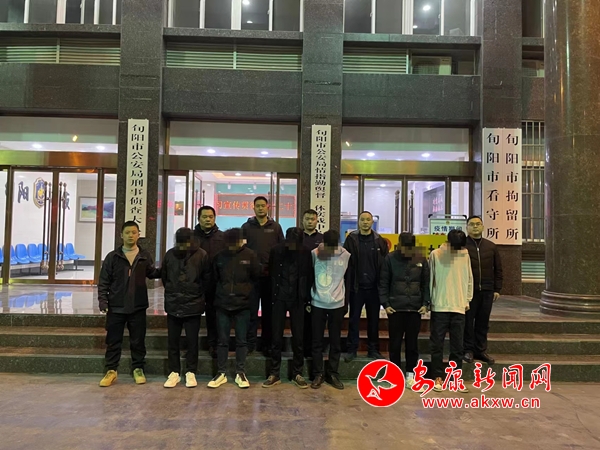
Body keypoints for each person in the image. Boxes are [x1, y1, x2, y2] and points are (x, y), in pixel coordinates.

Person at [98, 221, 160, 387]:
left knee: (138, 340)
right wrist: (103, 300)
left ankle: (138, 368)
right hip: (116, 306)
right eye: (127, 233)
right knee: (113, 340)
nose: (130, 235)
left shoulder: (144, 256)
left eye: (134, 232)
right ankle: (111, 370)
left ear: (139, 234)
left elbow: (151, 273)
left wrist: (169, 268)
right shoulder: (113, 257)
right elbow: (103, 281)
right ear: (121, 235)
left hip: (138, 306)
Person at [208, 228, 260, 389]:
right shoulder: (219, 256)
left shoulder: (250, 255)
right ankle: (221, 373)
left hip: (243, 305)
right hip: (222, 304)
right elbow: (214, 279)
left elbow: (256, 277)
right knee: (222, 341)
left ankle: (240, 372)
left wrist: (248, 295)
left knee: (241, 341)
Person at [262, 227, 313, 389]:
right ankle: (274, 373)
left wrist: (306, 297)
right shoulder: (276, 250)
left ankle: (297, 373)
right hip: (279, 297)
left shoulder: (306, 252)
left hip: (298, 298)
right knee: (276, 337)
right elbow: (271, 273)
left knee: (299, 337)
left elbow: (309, 275)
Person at [379, 233, 430, 392]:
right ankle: (394, 375)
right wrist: (385, 303)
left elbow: (426, 283)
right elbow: (383, 282)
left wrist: (425, 303)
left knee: (412, 344)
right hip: (395, 308)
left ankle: (410, 375)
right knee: (394, 343)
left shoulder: (421, 259)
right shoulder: (390, 258)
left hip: (415, 308)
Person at [161, 228, 210, 389]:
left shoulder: (201, 255)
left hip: (193, 304)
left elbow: (206, 279)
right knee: (172, 341)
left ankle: (191, 371)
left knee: (192, 341)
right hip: (173, 304)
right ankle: (174, 372)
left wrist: (197, 293)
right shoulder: (170, 254)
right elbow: (165, 277)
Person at [429, 229, 473, 393]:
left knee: (457, 346)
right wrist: (430, 301)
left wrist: (467, 299)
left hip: (459, 306)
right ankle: (437, 377)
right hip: (439, 306)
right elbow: (431, 278)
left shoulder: (465, 255)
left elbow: (469, 278)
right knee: (437, 345)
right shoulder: (436, 254)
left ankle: (456, 378)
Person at [343, 211, 389, 362]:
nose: (365, 222)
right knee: (354, 319)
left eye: (368, 220)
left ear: (372, 222)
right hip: (356, 287)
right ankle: (352, 349)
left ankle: (373, 349)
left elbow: (385, 265)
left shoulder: (379, 240)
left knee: (374, 320)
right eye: (362, 219)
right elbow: (345, 261)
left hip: (374, 288)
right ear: (358, 221)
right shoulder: (351, 239)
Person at [241, 196, 284, 357]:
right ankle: (250, 343)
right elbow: (241, 249)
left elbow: (281, 249)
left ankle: (267, 344)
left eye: (263, 206)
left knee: (269, 313)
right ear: (253, 208)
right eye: (257, 206)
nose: (260, 208)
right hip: (251, 277)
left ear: (268, 207)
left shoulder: (275, 227)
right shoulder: (246, 227)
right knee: (251, 312)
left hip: (269, 277)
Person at [311, 230, 351, 390]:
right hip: (317, 302)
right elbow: (309, 276)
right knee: (316, 341)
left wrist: (346, 302)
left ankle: (333, 373)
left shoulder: (346, 255)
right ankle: (318, 373)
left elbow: (348, 280)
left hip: (337, 303)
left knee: (335, 341)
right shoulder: (314, 253)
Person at [463, 216, 503, 365]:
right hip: (469, 291)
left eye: (478, 224)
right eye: (472, 224)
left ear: (483, 227)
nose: (475, 227)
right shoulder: (462, 246)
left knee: (483, 321)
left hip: (487, 290)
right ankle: (467, 350)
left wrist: (497, 289)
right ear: (467, 227)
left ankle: (480, 350)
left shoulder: (491, 246)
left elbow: (498, 269)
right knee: (468, 321)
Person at [194, 205, 226, 359]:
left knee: (214, 315)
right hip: (195, 283)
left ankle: (214, 345)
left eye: (211, 217)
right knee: (192, 316)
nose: (208, 219)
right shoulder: (191, 238)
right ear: (198, 218)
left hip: (215, 283)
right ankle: (192, 347)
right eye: (204, 217)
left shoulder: (222, 237)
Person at [301, 208, 323, 358]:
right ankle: (302, 348)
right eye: (307, 219)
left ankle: (313, 349)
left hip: (318, 281)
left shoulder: (322, 239)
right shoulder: (297, 238)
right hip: (300, 280)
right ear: (302, 220)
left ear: (317, 221)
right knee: (301, 318)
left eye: (312, 219)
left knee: (315, 319)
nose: (310, 222)